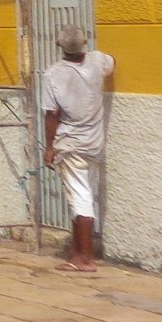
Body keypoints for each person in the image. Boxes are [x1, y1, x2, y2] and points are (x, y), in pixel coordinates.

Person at [42, 24, 114, 272]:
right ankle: (76, 252)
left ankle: (86, 258)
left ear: (59, 46)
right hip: (94, 142)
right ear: (84, 43)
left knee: (80, 198)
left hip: (71, 143)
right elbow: (113, 61)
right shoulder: (97, 61)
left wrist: (49, 147)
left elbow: (52, 115)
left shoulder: (53, 74)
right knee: (80, 196)